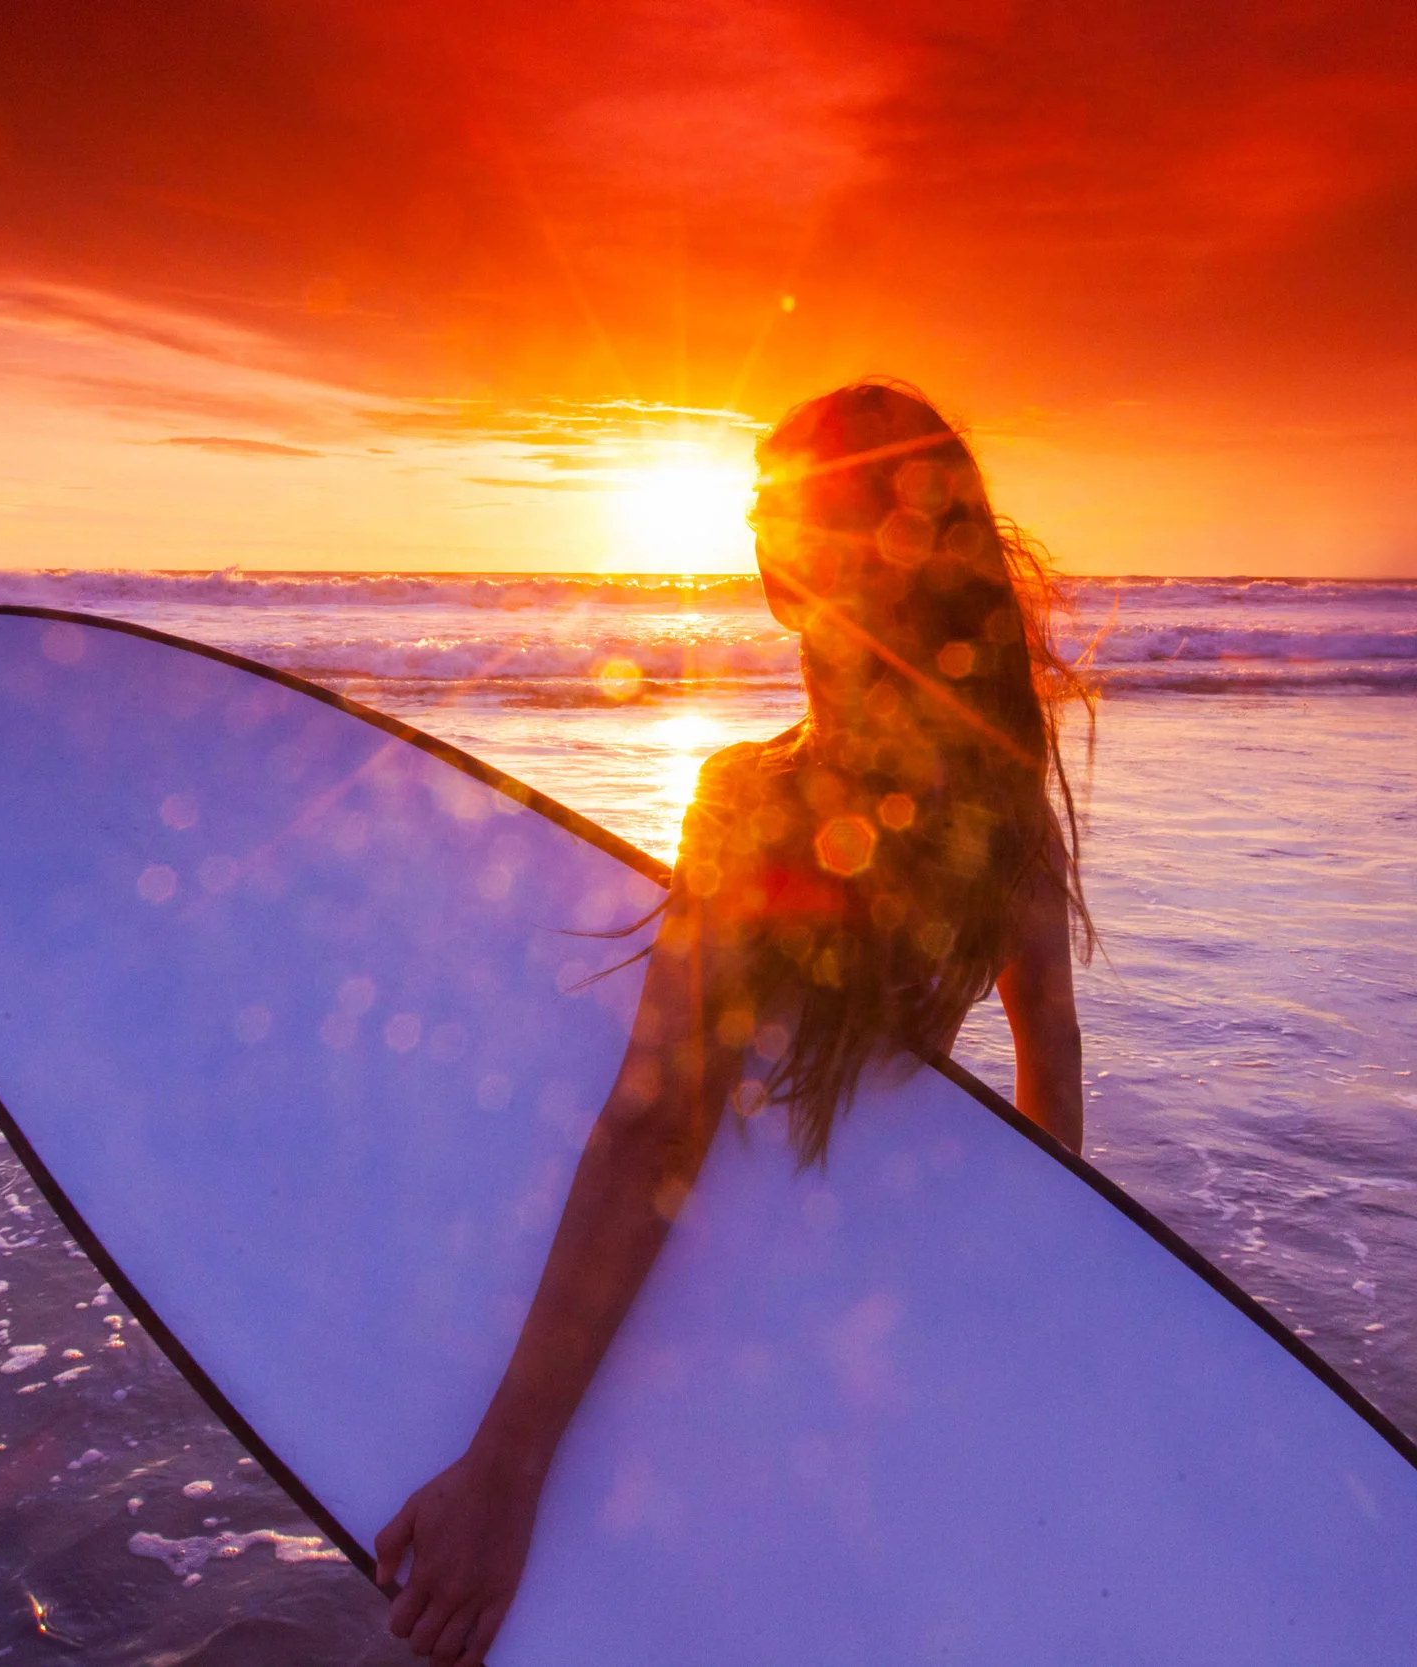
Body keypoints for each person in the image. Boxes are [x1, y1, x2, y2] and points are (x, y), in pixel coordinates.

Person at [374, 380, 1094, 1666]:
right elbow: (1050, 1041)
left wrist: (505, 1465)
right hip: (860, 1311)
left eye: (782, 509)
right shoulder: (1006, 806)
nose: (760, 532)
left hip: (691, 1314)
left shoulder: (754, 800)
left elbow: (657, 1128)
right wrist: (1032, 1279)